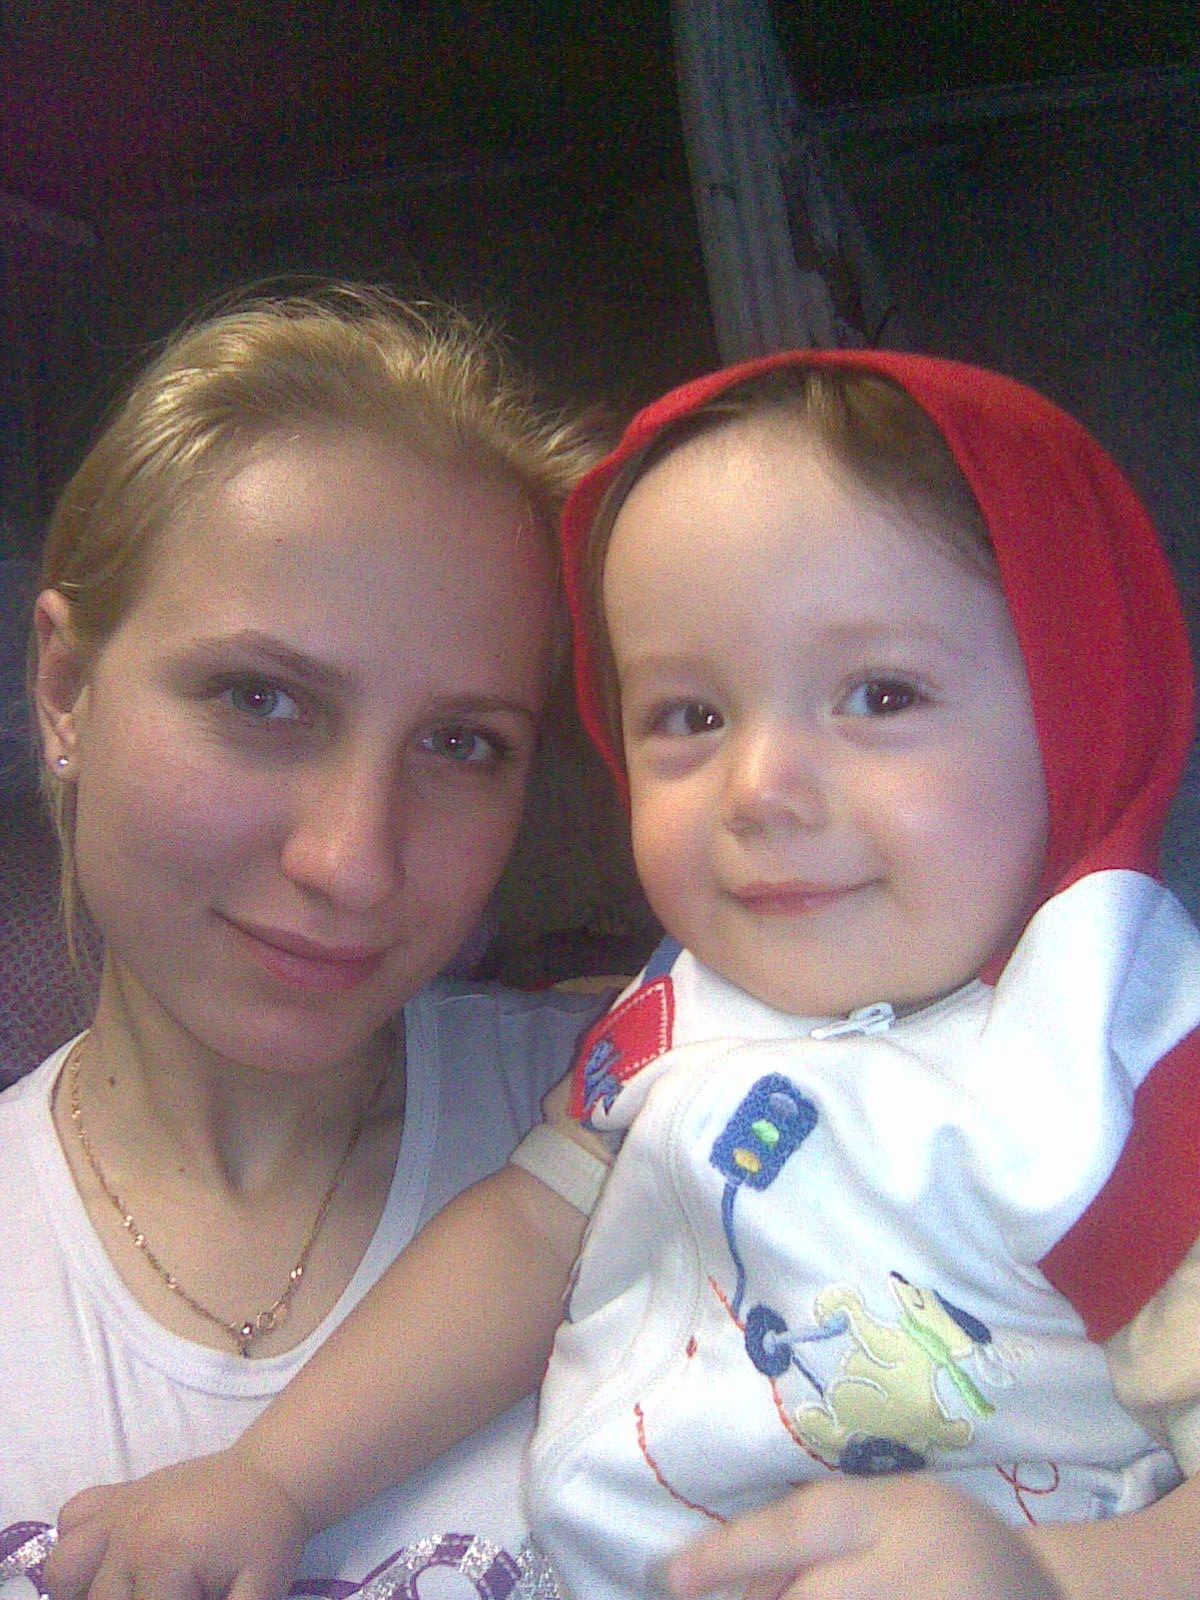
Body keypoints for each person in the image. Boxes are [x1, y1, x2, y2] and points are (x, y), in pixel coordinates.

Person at [45, 351, 1200, 1600]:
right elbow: (528, 1234)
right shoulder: (684, 1014)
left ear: (1084, 700)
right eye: (691, 715)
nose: (759, 788)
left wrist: (1055, 1579)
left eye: (880, 694)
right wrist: (273, 1479)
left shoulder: (1111, 1056)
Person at [1, 284, 611, 1600]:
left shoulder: (663, 1131)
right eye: (260, 697)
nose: (354, 861)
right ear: (64, 691)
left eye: (462, 744)